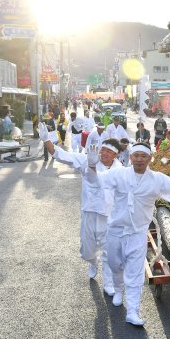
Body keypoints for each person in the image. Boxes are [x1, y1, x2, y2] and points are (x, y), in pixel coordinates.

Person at [86, 141, 170, 326]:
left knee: (135, 272)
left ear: (149, 159)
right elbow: (97, 182)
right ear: (131, 157)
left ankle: (133, 311)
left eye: (143, 156)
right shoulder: (119, 174)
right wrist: (90, 166)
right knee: (115, 263)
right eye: (136, 155)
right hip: (115, 230)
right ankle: (118, 289)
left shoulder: (157, 179)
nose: (139, 159)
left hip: (137, 232)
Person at [38, 123, 122, 296]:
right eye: (103, 150)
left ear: (116, 155)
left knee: (109, 251)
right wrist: (47, 140)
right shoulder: (87, 159)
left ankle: (108, 283)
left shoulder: (120, 170)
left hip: (108, 216)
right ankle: (92, 262)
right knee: (86, 250)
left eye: (109, 152)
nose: (104, 154)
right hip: (89, 212)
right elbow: (61, 155)